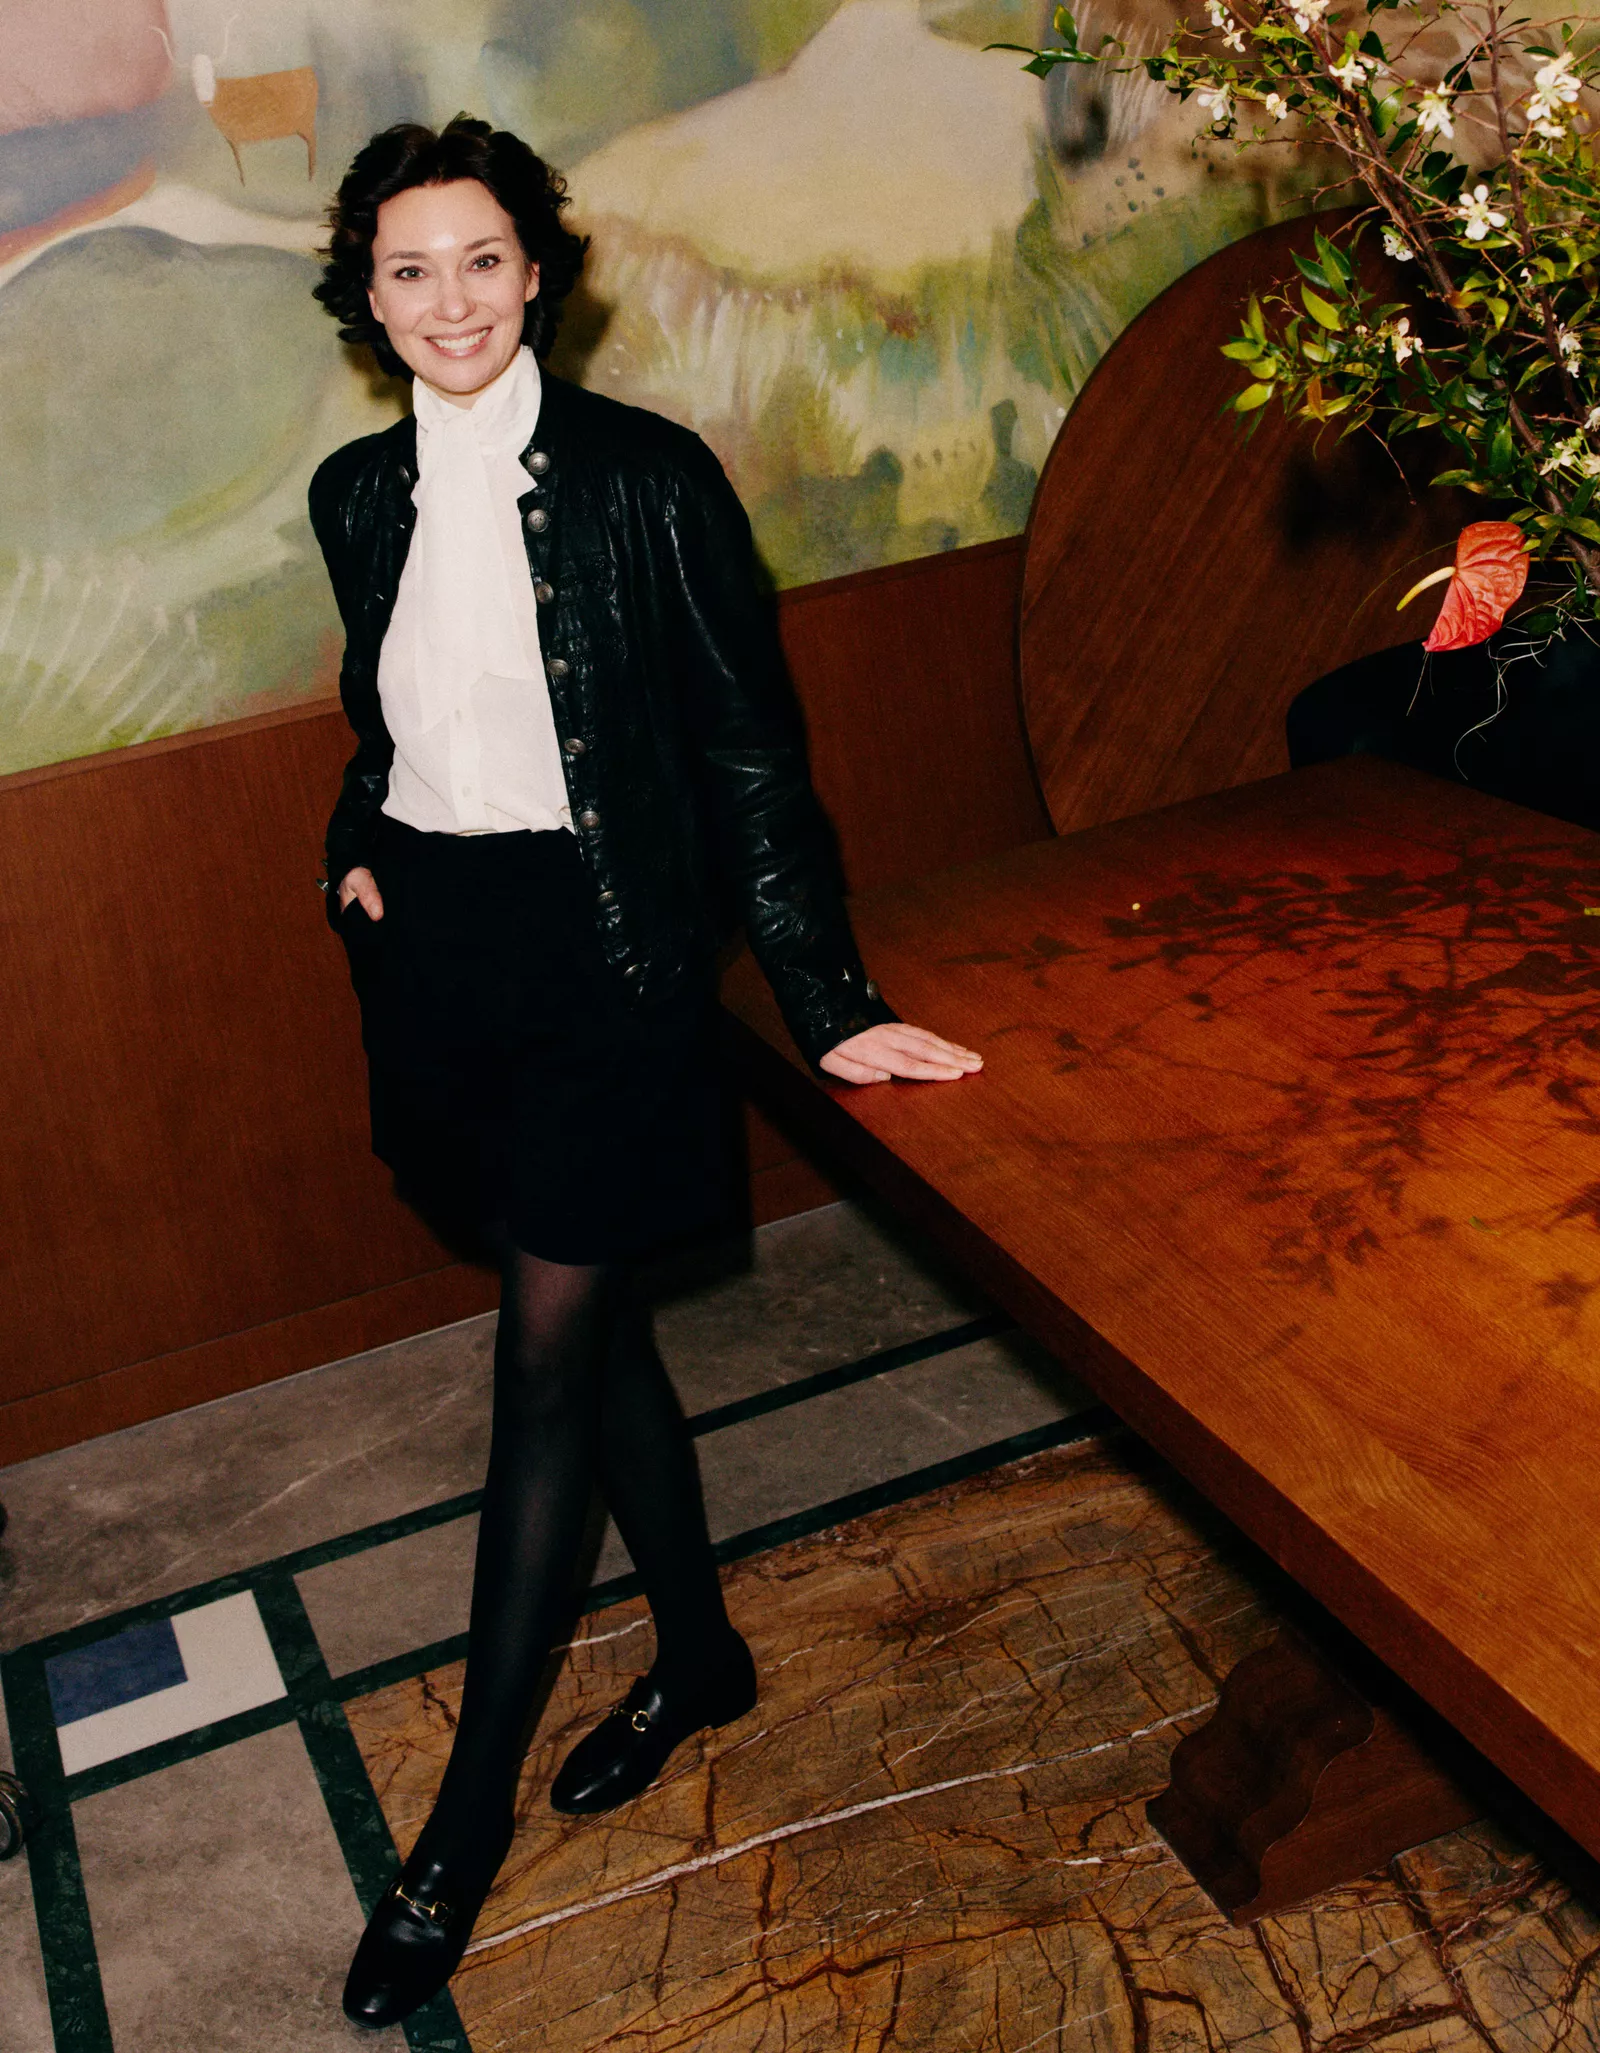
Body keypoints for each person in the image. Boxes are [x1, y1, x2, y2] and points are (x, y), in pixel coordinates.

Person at [308, 116, 982, 2029]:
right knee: (595, 1340)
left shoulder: (648, 480)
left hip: (609, 956)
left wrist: (823, 996)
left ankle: (455, 1837)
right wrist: (355, 849)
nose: (451, 299)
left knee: (540, 1361)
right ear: (368, 297)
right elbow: (385, 710)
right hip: (439, 957)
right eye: (410, 269)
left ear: (539, 273)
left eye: (484, 259)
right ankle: (699, 1658)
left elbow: (750, 754)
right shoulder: (356, 493)